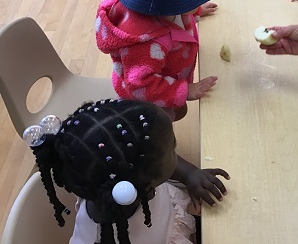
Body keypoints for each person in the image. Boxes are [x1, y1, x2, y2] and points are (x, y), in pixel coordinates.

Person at [23, 99, 230, 244]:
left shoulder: (98, 175)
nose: (176, 154)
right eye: (173, 150)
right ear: (148, 182)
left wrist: (189, 173)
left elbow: (153, 163)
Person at [96, 0, 231, 122]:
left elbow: (178, 11)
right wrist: (186, 90)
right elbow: (140, 86)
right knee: (161, 132)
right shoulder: (146, 43)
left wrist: (196, 9)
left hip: (166, 80)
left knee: (179, 111)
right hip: (146, 103)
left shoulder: (164, 6)